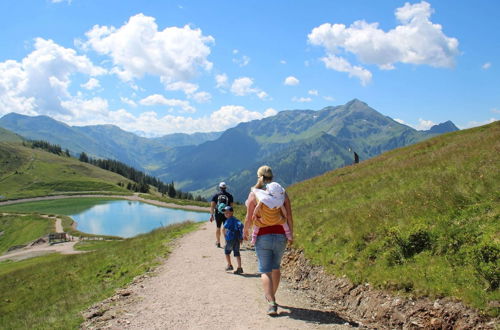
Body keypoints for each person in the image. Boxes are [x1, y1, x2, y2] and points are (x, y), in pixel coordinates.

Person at [243, 165, 293, 316]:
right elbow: (289, 215)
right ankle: (272, 295)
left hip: (262, 236)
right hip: (280, 235)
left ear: (259, 176)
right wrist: (291, 233)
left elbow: (249, 217)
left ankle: (271, 302)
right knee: (275, 267)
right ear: (272, 177)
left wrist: (245, 231)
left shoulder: (255, 194)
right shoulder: (282, 193)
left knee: (265, 270)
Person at [209, 182, 233, 248]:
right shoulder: (229, 195)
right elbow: (231, 207)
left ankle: (218, 242)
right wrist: (231, 216)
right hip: (227, 214)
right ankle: (226, 243)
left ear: (219, 187)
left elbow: (212, 207)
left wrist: (211, 215)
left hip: (218, 213)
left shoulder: (216, 195)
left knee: (218, 227)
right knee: (226, 229)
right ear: (225, 188)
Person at [222, 205, 244, 274]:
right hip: (236, 239)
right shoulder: (236, 220)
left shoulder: (228, 220)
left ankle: (229, 265)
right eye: (225, 213)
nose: (225, 214)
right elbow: (241, 225)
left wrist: (225, 237)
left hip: (230, 239)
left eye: (227, 213)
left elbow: (223, 229)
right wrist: (241, 238)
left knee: (227, 252)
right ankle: (239, 268)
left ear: (232, 213)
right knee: (237, 253)